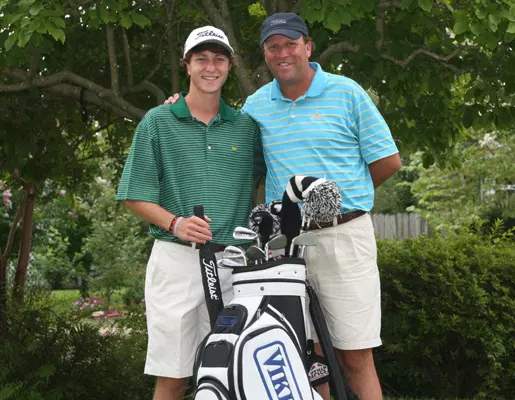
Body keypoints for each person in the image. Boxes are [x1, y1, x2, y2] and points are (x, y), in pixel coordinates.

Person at [166, 13, 401, 399]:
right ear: (265, 54)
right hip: (284, 245)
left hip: (344, 237)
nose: (282, 52)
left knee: (355, 354)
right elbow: (227, 143)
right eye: (273, 46)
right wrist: (181, 106)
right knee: (303, 355)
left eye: (291, 44)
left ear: (308, 47)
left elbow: (388, 161)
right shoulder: (257, 105)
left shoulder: (347, 92)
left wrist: (340, 202)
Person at [116, 26, 264, 400]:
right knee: (173, 377)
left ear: (229, 65)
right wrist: (176, 223)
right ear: (187, 65)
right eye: (202, 59)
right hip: (177, 262)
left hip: (233, 264)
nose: (210, 67)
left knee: (232, 373)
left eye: (219, 59)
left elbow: (266, 179)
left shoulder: (246, 128)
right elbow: (133, 195)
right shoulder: (158, 121)